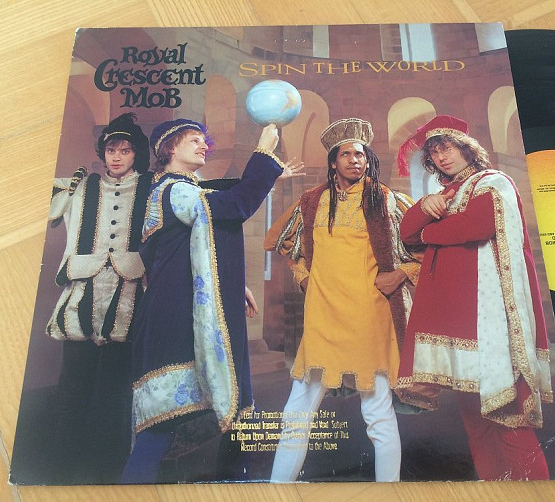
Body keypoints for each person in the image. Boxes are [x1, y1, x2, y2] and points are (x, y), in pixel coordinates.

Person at [121, 119, 293, 483]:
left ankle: (235, 484)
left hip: (176, 307)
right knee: (165, 418)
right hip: (174, 315)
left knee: (192, 415)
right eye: (194, 140)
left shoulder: (179, 190)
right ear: (169, 148)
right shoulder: (176, 191)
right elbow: (233, 206)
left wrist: (232, 284)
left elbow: (197, 244)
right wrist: (262, 155)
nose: (204, 146)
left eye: (205, 141)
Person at [394, 115, 553, 480]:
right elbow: (406, 233)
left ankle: (538, 491)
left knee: (509, 419)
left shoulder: (493, 182)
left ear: (466, 148)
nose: (441, 157)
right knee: (475, 424)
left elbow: (476, 226)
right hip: (456, 322)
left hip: (489, 318)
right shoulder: (445, 194)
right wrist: (425, 206)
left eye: (447, 148)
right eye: (434, 153)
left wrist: (431, 231)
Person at [264, 118, 422, 482]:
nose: (355, 160)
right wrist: (305, 278)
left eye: (361, 154)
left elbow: (423, 247)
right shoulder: (312, 201)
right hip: (323, 320)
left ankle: (389, 492)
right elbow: (286, 245)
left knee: (378, 414)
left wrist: (401, 273)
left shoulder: (385, 200)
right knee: (296, 414)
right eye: (347, 154)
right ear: (334, 161)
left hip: (371, 319)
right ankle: (276, 490)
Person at [46, 112, 152, 483]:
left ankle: (106, 473)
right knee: (72, 393)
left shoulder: (154, 187)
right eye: (111, 150)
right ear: (103, 153)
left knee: (116, 396)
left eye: (125, 150)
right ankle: (61, 472)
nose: (117, 157)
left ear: (136, 154)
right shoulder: (82, 186)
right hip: (80, 302)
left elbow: (200, 206)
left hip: (129, 304)